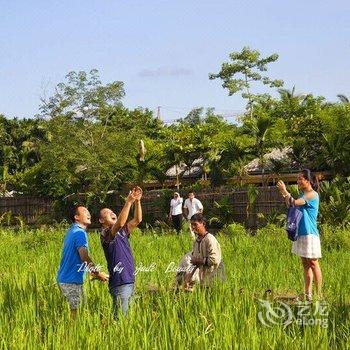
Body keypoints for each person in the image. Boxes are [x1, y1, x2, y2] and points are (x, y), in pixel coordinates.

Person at [277, 169, 322, 301]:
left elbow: (294, 203)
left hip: (310, 233)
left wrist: (285, 191)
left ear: (307, 181)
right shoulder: (303, 195)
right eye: (298, 179)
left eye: (300, 179)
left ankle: (318, 295)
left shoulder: (312, 195)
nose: (298, 181)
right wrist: (284, 194)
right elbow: (291, 205)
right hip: (301, 232)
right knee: (305, 263)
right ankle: (308, 294)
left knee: (313, 263)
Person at [57, 205, 109, 318]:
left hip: (67, 279)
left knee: (76, 313)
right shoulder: (80, 233)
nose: (88, 213)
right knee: (76, 316)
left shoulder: (72, 231)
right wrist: (98, 273)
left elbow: (73, 258)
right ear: (76, 217)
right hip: (71, 281)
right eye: (84, 211)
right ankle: (71, 335)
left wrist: (90, 273)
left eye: (88, 211)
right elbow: (84, 256)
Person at [99, 187, 142, 318]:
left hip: (129, 279)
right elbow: (120, 222)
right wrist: (128, 202)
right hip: (120, 281)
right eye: (108, 213)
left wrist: (137, 201)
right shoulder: (105, 233)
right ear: (102, 221)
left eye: (113, 212)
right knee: (121, 321)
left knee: (127, 319)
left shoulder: (123, 231)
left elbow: (137, 220)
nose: (112, 213)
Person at [184, 213, 224, 288]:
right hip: (204, 281)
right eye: (192, 225)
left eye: (195, 224)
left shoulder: (209, 239)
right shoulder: (196, 242)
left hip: (215, 280)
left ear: (203, 224)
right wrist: (187, 279)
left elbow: (214, 260)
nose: (193, 227)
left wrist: (199, 261)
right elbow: (194, 262)